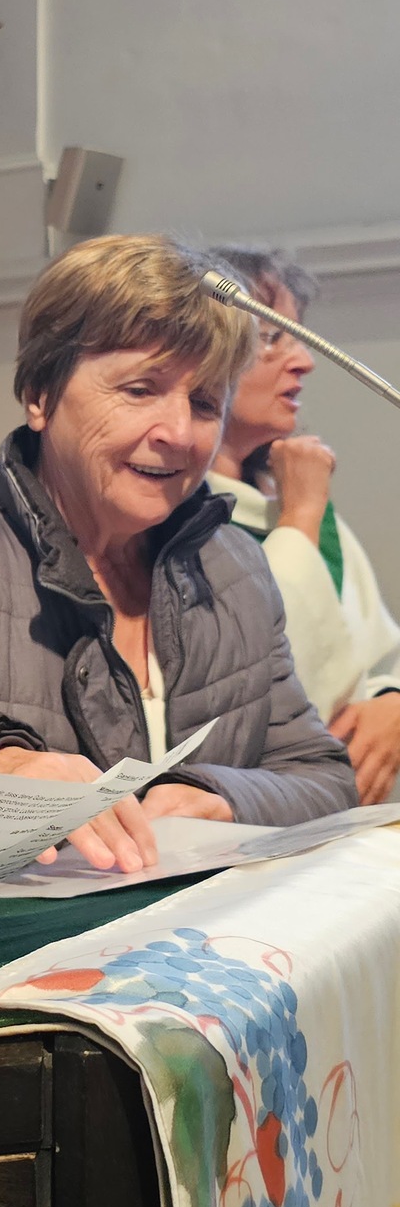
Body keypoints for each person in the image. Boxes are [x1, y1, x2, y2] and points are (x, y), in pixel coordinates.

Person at [0, 235, 357, 854]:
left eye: (205, 401)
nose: (180, 433)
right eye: (140, 390)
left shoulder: (235, 568)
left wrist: (226, 797)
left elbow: (321, 779)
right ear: (40, 395)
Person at [209, 247, 400, 804]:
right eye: (272, 338)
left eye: (299, 337)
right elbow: (261, 679)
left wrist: (391, 701)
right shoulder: (169, 517)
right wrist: (301, 517)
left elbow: (376, 653)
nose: (305, 361)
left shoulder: (295, 504)